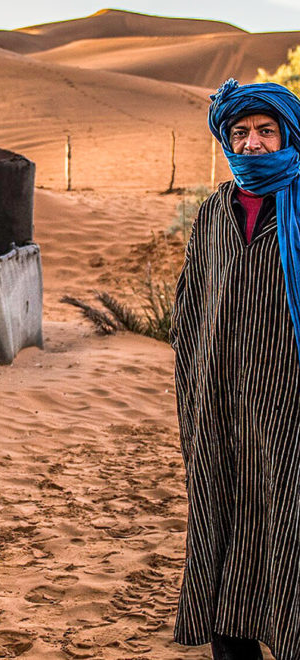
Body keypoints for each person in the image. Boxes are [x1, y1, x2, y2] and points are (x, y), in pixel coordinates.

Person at [172, 79, 300, 660]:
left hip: (287, 411)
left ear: (287, 135)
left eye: (264, 130)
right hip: (219, 408)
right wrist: (193, 404)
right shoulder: (214, 213)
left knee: (288, 528)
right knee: (223, 530)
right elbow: (190, 311)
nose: (251, 143)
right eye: (240, 132)